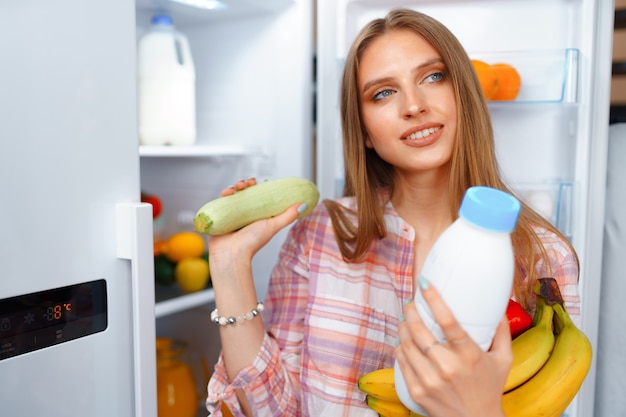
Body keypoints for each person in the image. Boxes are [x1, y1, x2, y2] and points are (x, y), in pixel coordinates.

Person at [204, 8, 580, 417]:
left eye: (433, 77)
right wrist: (229, 266)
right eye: (383, 93)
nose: (414, 106)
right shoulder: (320, 236)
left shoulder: (542, 256)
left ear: (464, 94)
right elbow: (273, 410)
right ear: (363, 130)